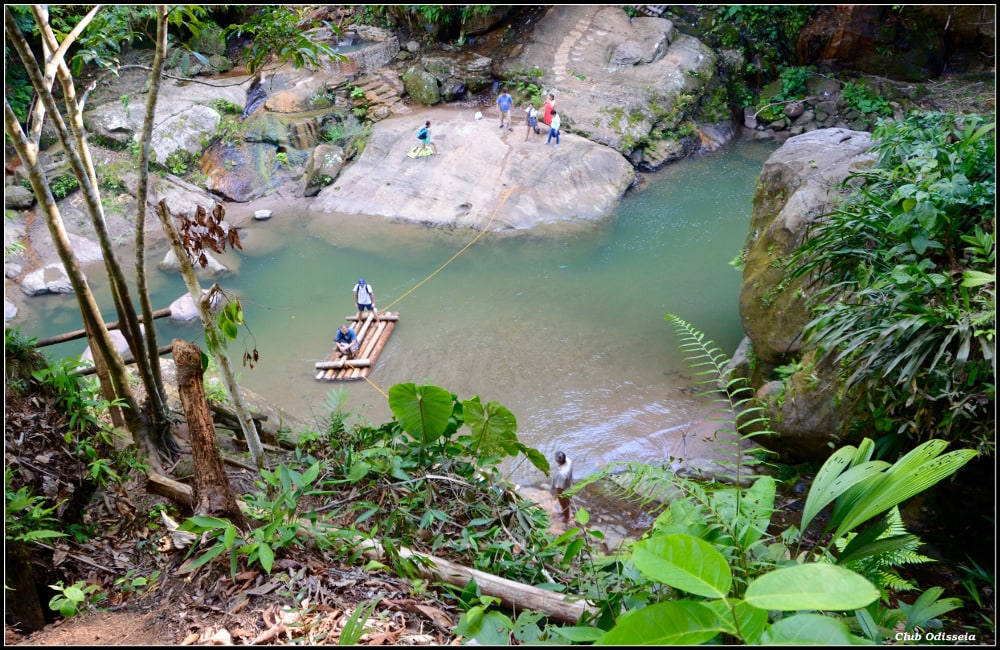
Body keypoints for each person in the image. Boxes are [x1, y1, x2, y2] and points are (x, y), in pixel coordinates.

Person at [551, 450, 574, 524]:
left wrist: (556, 495)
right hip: (569, 485)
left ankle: (566, 517)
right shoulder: (569, 461)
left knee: (564, 503)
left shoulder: (562, 474)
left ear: (558, 461)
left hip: (563, 490)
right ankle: (564, 512)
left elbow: (560, 488)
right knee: (566, 502)